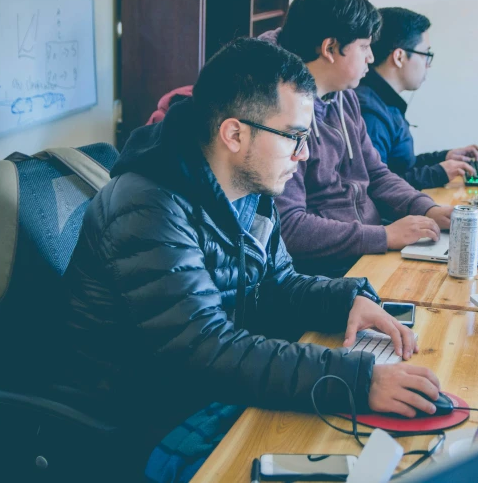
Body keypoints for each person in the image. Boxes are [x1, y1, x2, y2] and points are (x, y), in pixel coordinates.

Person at [61, 38, 441, 482]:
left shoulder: (249, 186)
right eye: (295, 138)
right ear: (235, 134)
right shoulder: (147, 206)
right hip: (141, 418)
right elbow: (204, 348)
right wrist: (357, 380)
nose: (304, 155)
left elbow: (275, 282)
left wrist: (344, 300)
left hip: (208, 391)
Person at [262, 0, 462, 278]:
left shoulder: (345, 96)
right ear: (330, 48)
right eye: (364, 47)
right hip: (326, 272)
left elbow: (377, 174)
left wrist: (426, 208)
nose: (371, 58)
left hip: (365, 253)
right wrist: (383, 236)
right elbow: (289, 227)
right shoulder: (278, 114)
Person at [356, 7, 478, 190]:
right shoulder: (370, 113)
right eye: (426, 55)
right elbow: (376, 187)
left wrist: (444, 157)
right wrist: (438, 173)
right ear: (399, 56)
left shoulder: (385, 101)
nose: (428, 66)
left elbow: (398, 165)